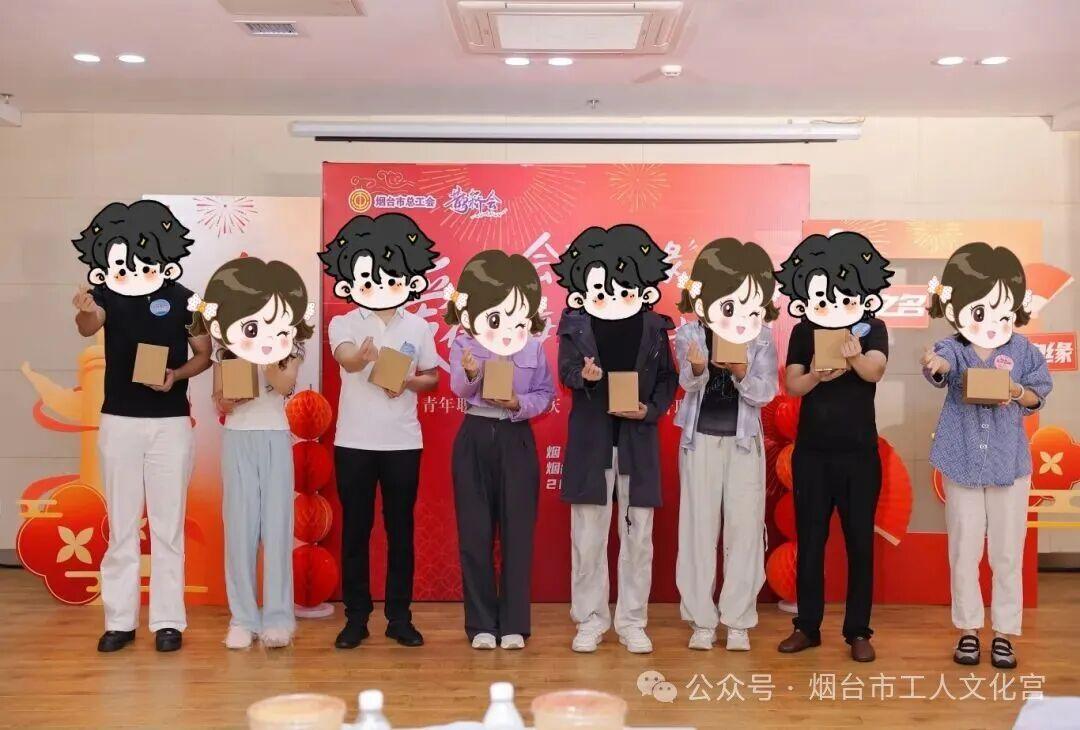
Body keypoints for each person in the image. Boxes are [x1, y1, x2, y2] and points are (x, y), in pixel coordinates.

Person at [71, 200, 211, 653]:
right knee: (123, 525)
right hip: (119, 421)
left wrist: (175, 375)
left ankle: (168, 622)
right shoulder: (106, 294)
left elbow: (204, 353)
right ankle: (120, 621)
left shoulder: (187, 297)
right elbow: (87, 325)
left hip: (170, 423)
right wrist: (83, 309)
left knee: (168, 526)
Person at [920, 242, 1052, 669]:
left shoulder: (1024, 350)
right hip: (961, 461)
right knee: (964, 549)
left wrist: (1015, 390)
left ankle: (1005, 634)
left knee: (1007, 552)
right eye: (979, 309)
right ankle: (968, 630)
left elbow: (1038, 394)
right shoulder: (952, 346)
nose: (991, 320)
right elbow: (938, 365)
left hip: (1009, 463)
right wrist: (935, 366)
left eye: (1001, 309)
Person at [552, 224, 677, 655]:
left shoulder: (653, 326)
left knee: (638, 535)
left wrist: (650, 410)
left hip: (637, 440)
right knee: (588, 536)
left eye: (625, 283)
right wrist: (583, 377)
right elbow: (566, 371)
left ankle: (632, 621)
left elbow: (668, 379)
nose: (613, 292)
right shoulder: (576, 323)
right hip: (592, 440)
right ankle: (589, 620)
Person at [319, 212, 440, 649]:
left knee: (400, 532)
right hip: (354, 442)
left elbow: (432, 378)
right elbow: (347, 360)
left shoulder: (418, 325)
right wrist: (362, 357)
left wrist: (409, 382)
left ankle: (399, 617)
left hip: (403, 442)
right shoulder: (345, 322)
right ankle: (356, 618)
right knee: (356, 531)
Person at [773, 230, 893, 662]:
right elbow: (792, 384)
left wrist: (853, 356)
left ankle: (858, 630)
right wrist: (816, 376)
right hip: (812, 454)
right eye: (821, 293)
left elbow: (875, 371)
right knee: (811, 541)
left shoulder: (873, 328)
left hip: (859, 454)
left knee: (860, 543)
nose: (832, 301)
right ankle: (807, 627)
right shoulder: (803, 330)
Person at [188, 256, 314, 650]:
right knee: (240, 531)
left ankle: (278, 618)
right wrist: (228, 399)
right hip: (238, 438)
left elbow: (286, 384)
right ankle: (242, 618)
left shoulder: (290, 345)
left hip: (275, 437)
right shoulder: (226, 349)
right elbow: (219, 400)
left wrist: (266, 354)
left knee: (276, 530)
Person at [672, 238, 779, 652]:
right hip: (699, 440)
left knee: (744, 529)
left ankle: (737, 620)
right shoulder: (689, 332)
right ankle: (702, 620)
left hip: (743, 443)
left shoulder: (761, 336)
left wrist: (740, 370)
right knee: (698, 530)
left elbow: (765, 392)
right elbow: (687, 384)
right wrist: (698, 368)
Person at [445, 251, 555, 650]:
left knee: (517, 534)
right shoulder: (465, 343)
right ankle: (480, 625)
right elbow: (458, 388)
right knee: (474, 535)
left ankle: (513, 625)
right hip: (474, 435)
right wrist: (472, 373)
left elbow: (546, 394)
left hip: (516, 438)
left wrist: (517, 404)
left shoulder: (533, 348)